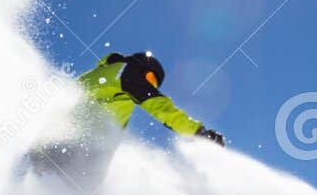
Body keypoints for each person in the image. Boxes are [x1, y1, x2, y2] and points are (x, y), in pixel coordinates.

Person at [77, 52, 225, 145]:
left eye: (153, 84)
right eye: (150, 79)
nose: (148, 86)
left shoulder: (112, 81)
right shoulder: (128, 73)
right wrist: (199, 132)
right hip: (79, 138)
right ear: (142, 66)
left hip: (82, 134)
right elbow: (161, 108)